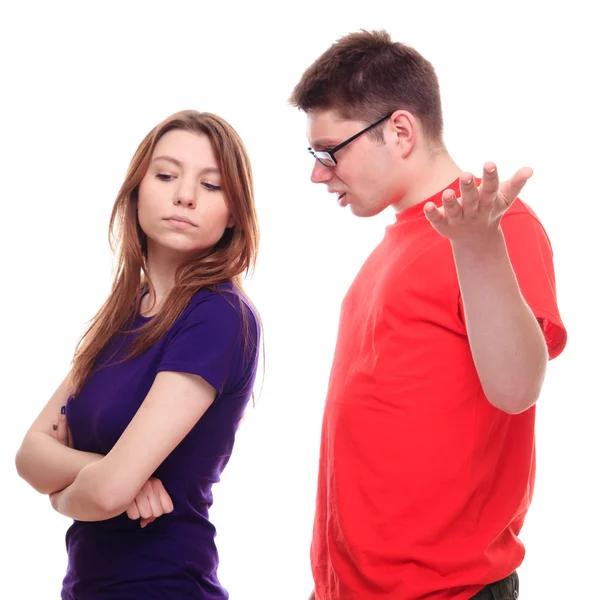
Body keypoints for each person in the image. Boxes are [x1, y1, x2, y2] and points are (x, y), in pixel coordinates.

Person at [290, 30, 567, 600]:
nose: (319, 173)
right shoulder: (389, 248)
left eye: (330, 151)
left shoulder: (498, 228)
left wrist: (478, 247)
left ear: (399, 131)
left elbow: (517, 388)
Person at [15, 109, 261, 599]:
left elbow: (104, 491)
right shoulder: (122, 315)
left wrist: (61, 495)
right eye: (167, 175)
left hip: (164, 586)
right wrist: (101, 471)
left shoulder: (217, 316)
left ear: (233, 213)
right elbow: (28, 455)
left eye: (211, 186)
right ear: (136, 190)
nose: (185, 195)